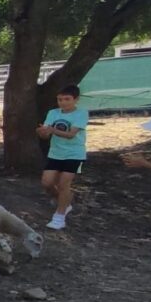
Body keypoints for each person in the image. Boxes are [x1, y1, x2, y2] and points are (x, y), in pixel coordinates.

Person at [36, 85, 89, 230]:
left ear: (76, 99)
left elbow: (71, 134)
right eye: (60, 99)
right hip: (55, 153)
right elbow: (45, 134)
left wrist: (52, 130)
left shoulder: (81, 114)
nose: (63, 102)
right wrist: (42, 132)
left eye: (67, 99)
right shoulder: (53, 113)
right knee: (47, 183)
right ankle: (65, 203)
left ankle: (59, 218)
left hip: (74, 153)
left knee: (64, 184)